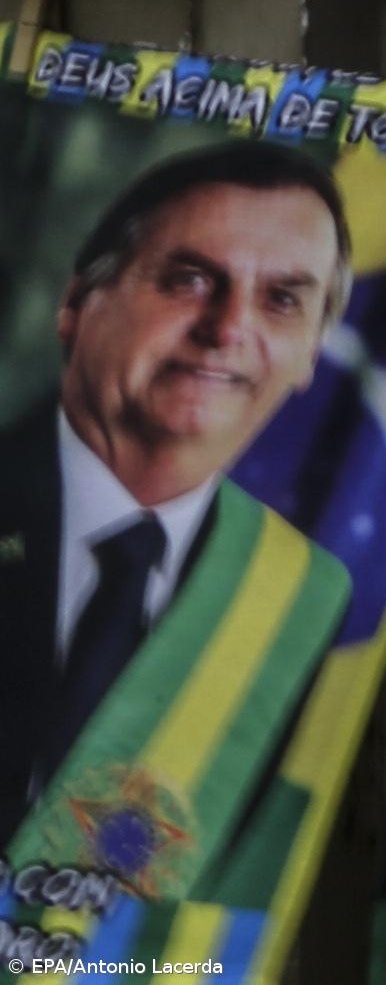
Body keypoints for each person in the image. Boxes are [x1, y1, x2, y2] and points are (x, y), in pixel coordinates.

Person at [0, 145, 351, 890]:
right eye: (190, 279)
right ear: (77, 303)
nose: (227, 328)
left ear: (311, 352)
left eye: (283, 300)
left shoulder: (304, 601)